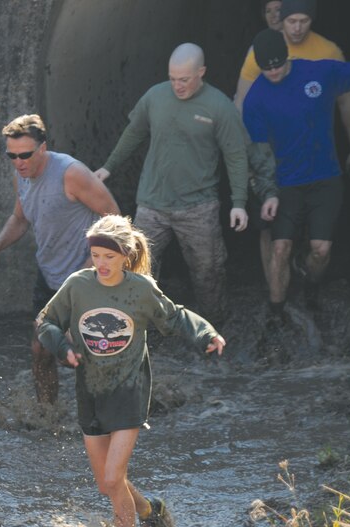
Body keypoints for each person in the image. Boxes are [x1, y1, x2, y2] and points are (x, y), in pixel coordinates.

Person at [36, 215, 226, 527]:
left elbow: (175, 316)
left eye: (108, 257)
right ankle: (151, 511)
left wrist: (206, 334)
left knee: (112, 479)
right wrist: (62, 349)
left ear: (126, 255)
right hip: (90, 391)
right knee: (106, 484)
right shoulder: (78, 285)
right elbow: (46, 321)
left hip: (129, 390)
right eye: (95, 255)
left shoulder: (141, 290)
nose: (101, 264)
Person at [243, 30, 350, 317]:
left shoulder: (318, 71)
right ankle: (276, 312)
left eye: (278, 65)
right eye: (266, 68)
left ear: (287, 57)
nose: (273, 72)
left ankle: (311, 286)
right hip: (286, 183)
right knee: (280, 248)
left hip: (324, 178)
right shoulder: (256, 98)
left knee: (320, 250)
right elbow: (259, 154)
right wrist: (267, 193)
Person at [94, 43, 249, 323]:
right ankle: (139, 329)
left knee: (208, 270)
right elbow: (133, 133)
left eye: (185, 80)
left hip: (199, 207)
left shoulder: (219, 106)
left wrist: (239, 203)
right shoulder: (155, 97)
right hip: (152, 204)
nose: (177, 86)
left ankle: (213, 328)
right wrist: (108, 167)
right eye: (173, 79)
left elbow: (236, 155)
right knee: (138, 269)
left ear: (201, 72)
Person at [0, 114, 119, 404]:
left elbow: (114, 216)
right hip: (49, 275)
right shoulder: (21, 176)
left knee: (75, 351)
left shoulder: (71, 173)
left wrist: (95, 265)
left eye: (25, 155)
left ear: (42, 149)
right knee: (41, 349)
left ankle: (111, 414)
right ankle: (47, 416)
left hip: (84, 276)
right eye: (11, 156)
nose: (18, 162)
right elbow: (19, 218)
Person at [233, 0, 350, 180]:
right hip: (272, 147)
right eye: (292, 21)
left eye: (303, 21)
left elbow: (346, 103)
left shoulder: (328, 52)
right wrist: (244, 155)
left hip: (315, 153)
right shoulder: (262, 49)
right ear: (284, 19)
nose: (297, 28)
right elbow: (241, 103)